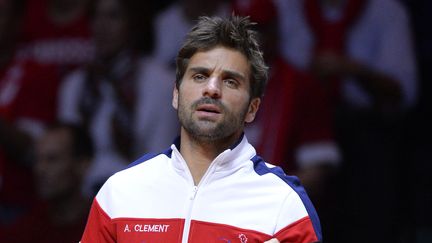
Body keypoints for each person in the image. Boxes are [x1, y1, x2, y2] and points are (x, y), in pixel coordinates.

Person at [81, 15, 322, 243]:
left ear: (252, 108)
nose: (212, 89)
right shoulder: (121, 191)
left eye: (230, 81)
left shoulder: (284, 204)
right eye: (199, 76)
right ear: (176, 94)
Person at [57, 0, 178, 197]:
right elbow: (65, 158)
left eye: (114, 16)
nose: (102, 26)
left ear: (132, 23)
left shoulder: (162, 83)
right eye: (96, 16)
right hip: (80, 203)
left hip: (140, 198)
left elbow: (162, 161)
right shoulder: (75, 85)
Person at [1, 122, 93, 242]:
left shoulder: (109, 226)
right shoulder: (24, 231)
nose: (40, 169)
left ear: (82, 166)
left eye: (52, 159)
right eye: (38, 159)